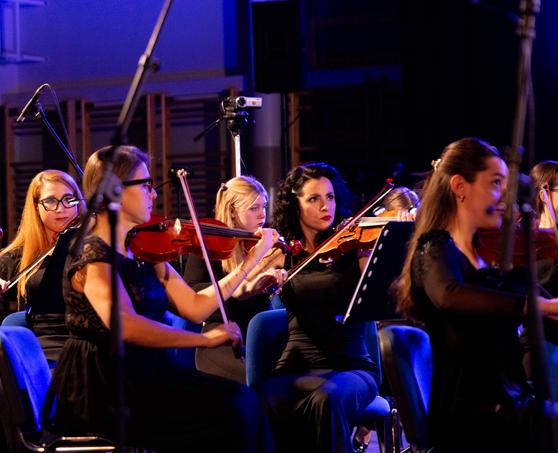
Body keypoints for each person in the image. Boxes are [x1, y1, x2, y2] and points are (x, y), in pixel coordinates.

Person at [395, 137, 558, 452]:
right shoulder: (436, 248)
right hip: (473, 420)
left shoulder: (499, 262)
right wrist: (542, 306)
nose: (505, 195)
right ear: (459, 186)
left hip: (518, 406)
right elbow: (449, 295)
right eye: (495, 183)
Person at [46, 146, 277, 452]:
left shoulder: (141, 249)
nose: (153, 195)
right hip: (106, 386)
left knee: (243, 402)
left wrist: (251, 260)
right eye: (145, 185)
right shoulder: (92, 255)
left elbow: (195, 307)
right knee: (232, 411)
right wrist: (204, 341)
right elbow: (125, 324)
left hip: (147, 374)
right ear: (114, 191)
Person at [259, 162, 378, 453]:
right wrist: (261, 279)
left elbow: (376, 294)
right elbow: (246, 285)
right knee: (257, 400)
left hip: (352, 367)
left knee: (328, 398)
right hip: (295, 366)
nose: (326, 205)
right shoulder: (283, 253)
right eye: (314, 199)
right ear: (295, 205)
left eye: (331, 197)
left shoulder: (355, 247)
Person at [183, 175, 286, 382]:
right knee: (261, 381)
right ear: (232, 210)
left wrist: (281, 280)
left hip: (259, 335)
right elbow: (192, 292)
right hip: (221, 338)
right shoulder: (207, 245)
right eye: (253, 208)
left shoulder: (267, 246)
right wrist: (241, 288)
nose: (262, 215)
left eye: (264, 206)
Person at [0, 169, 85, 363]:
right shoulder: (22, 255)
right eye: (50, 201)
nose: (61, 208)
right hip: (45, 345)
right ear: (36, 206)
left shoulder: (93, 242)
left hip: (88, 337)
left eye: (68, 199)